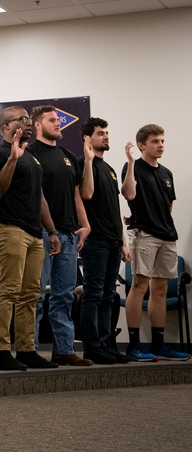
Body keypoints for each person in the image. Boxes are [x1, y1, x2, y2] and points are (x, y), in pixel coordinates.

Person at [0, 107, 61, 371]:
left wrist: (51, 231)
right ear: (7, 125)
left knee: (31, 294)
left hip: (34, 233)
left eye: (29, 119)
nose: (28, 123)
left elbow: (39, 196)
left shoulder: (31, 156)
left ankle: (27, 349)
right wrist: (13, 159)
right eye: (22, 119)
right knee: (9, 291)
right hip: (10, 230)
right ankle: (3, 351)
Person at [28, 106, 92, 367]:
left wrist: (85, 224)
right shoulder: (31, 154)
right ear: (37, 125)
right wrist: (50, 229)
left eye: (59, 120)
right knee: (36, 295)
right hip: (42, 233)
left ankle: (64, 349)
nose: (58, 124)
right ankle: (28, 349)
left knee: (64, 295)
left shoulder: (66, 155)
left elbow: (79, 194)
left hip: (68, 235)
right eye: (52, 120)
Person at [121, 124, 188, 361]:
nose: (160, 145)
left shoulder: (166, 173)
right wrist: (130, 162)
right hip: (144, 235)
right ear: (142, 145)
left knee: (159, 289)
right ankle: (134, 345)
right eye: (155, 141)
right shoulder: (133, 168)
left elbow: (168, 206)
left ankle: (159, 344)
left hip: (167, 236)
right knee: (139, 287)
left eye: (162, 141)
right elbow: (129, 194)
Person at [78, 117, 133, 364]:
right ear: (87, 139)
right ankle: (92, 346)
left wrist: (122, 241)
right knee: (93, 294)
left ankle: (106, 343)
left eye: (107, 133)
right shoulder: (83, 164)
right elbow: (86, 193)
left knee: (108, 295)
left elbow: (114, 208)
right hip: (95, 241)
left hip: (112, 240)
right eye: (100, 133)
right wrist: (88, 161)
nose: (106, 137)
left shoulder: (109, 169)